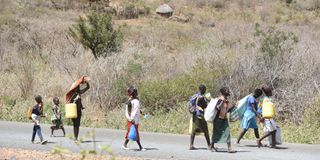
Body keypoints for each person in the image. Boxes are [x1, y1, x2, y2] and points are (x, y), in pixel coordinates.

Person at [210, 87, 236, 153]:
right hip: (218, 119)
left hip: (224, 119)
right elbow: (217, 108)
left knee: (227, 133)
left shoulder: (226, 101)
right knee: (216, 133)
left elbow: (226, 111)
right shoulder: (220, 100)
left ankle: (229, 148)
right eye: (227, 91)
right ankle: (211, 146)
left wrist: (233, 106)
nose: (228, 91)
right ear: (223, 92)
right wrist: (221, 103)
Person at [66, 76, 90, 141]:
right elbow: (70, 103)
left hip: (79, 110)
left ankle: (76, 137)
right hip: (74, 111)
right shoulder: (72, 94)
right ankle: (75, 138)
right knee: (75, 124)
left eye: (78, 87)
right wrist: (75, 100)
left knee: (78, 124)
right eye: (77, 87)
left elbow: (88, 87)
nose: (78, 87)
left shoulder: (79, 93)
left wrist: (86, 82)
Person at [122, 86, 146, 151]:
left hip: (134, 119)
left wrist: (142, 114)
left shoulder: (135, 100)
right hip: (132, 120)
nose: (136, 93)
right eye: (135, 92)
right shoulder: (131, 101)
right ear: (132, 93)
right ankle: (140, 147)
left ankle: (125, 144)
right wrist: (131, 119)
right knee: (134, 132)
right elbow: (129, 111)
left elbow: (136, 109)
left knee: (130, 132)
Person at [189, 84, 211, 150]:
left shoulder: (194, 96)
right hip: (200, 115)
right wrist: (208, 101)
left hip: (194, 115)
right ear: (203, 90)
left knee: (194, 130)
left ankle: (191, 145)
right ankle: (209, 145)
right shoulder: (201, 97)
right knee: (205, 130)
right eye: (205, 90)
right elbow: (205, 106)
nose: (205, 91)